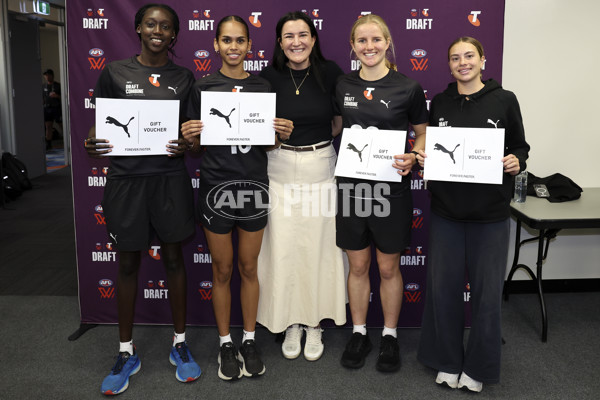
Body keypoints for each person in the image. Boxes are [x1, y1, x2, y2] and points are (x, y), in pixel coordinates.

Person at [84, 4, 200, 395]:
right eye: (151, 23)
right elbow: (99, 129)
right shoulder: (115, 72)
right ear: (138, 28)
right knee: (129, 263)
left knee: (173, 259)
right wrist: (92, 143)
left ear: (174, 36)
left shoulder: (184, 78)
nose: (157, 30)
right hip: (126, 182)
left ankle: (179, 345)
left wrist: (188, 142)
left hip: (169, 181)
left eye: (166, 26)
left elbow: (193, 137)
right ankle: (124, 351)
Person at [180, 15, 294, 381]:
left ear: (249, 46)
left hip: (254, 189)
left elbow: (270, 142)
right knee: (223, 270)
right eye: (226, 40)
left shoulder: (262, 87)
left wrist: (281, 133)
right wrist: (189, 135)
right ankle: (225, 343)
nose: (233, 47)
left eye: (240, 40)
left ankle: (249, 339)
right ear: (216, 45)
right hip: (216, 188)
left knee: (248, 268)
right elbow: (193, 147)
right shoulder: (202, 87)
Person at [416, 37, 530, 392]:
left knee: (485, 294)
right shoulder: (441, 102)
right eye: (455, 58)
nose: (462, 62)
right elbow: (433, 147)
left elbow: (519, 147)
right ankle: (447, 361)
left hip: (491, 215)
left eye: (469, 56)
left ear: (482, 60)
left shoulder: (505, 99)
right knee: (443, 290)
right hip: (448, 213)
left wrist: (517, 161)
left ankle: (479, 367)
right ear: (448, 65)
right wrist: (424, 161)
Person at [335, 14, 428, 372]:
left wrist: (416, 155)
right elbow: (334, 128)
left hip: (391, 189)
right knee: (357, 264)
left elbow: (422, 132)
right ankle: (359, 332)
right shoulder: (342, 85)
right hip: (351, 187)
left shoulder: (408, 87)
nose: (369, 47)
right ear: (353, 47)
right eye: (362, 41)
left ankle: (389, 335)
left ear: (388, 43)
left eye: (376, 40)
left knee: (388, 267)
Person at [256, 11, 347, 362]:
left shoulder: (331, 73)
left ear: (313, 38)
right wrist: (274, 137)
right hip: (277, 165)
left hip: (319, 163)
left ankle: (314, 323)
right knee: (282, 245)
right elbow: (257, 132)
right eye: (289, 36)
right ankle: (290, 320)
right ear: (279, 42)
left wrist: (314, 141)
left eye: (303, 34)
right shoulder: (266, 78)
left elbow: (338, 122)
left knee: (318, 246)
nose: (297, 42)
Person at [42, 69, 62, 149]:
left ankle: (67, 140)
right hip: (47, 108)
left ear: (52, 75)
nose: (47, 77)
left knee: (61, 124)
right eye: (45, 75)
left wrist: (56, 96)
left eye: (48, 75)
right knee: (48, 126)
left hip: (56, 108)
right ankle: (48, 143)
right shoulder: (43, 86)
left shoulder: (58, 85)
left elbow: (64, 97)